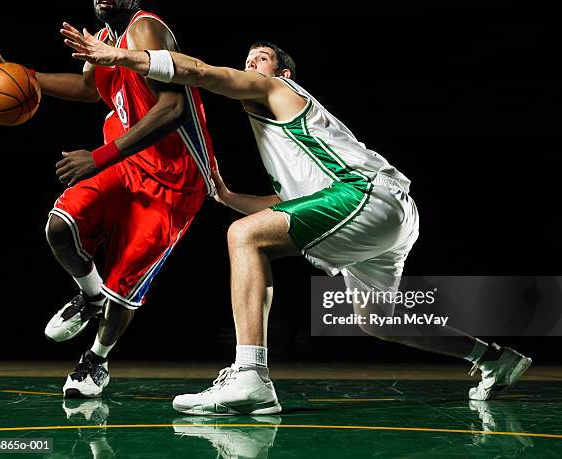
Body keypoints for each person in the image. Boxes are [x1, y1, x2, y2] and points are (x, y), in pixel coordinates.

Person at [58, 26, 532, 414]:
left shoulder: (277, 88)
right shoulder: (284, 144)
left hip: (366, 195)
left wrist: (117, 56)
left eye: (260, 58)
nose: (250, 65)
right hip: (384, 211)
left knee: (243, 239)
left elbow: (197, 72)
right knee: (375, 320)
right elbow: (282, 206)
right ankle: (492, 357)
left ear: (282, 72)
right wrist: (226, 194)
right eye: (247, 58)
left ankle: (250, 375)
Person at [0, 0, 215, 398]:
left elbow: (175, 108)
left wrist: (98, 157)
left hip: (174, 181)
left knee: (125, 287)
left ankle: (96, 360)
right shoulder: (101, 39)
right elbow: (87, 87)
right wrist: (24, 77)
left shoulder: (145, 29)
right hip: (128, 162)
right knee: (60, 227)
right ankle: (90, 296)